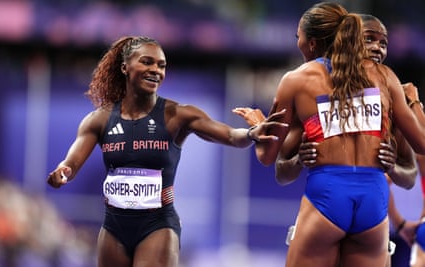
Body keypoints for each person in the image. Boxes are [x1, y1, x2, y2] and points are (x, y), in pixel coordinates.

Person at [46, 36, 285, 267]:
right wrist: (62, 173)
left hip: (157, 225)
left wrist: (252, 133)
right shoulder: (98, 120)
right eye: (147, 62)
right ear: (125, 68)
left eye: (161, 65)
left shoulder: (178, 115)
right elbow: (71, 164)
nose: (156, 70)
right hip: (113, 227)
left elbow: (232, 137)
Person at [237, 2, 425, 266]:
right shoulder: (385, 78)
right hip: (374, 198)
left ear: (312, 42)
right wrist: (414, 101)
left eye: (298, 37)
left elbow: (268, 158)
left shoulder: (297, 80)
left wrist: (259, 126)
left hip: (328, 194)